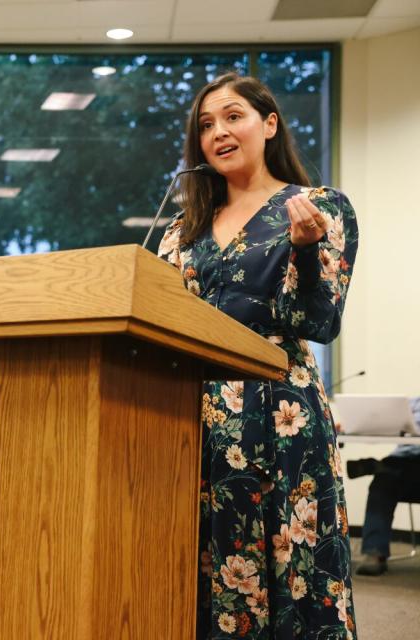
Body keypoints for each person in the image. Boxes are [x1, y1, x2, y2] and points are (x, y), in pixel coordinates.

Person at [157, 73, 359, 639]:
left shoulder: (319, 207)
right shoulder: (182, 231)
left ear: (269, 125)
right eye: (205, 125)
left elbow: (320, 321)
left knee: (293, 566)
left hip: (280, 415)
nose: (218, 131)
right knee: (210, 566)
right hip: (195, 420)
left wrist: (304, 251)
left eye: (233, 117)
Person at [347, 397, 420, 576]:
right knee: (382, 483)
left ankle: (377, 466)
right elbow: (383, 427)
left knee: (387, 471)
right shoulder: (411, 403)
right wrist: (351, 429)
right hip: (402, 460)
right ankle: (374, 552)